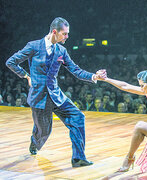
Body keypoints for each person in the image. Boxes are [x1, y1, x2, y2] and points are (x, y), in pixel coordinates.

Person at [6, 17, 105, 167]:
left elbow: (75, 70)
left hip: (56, 95)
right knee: (44, 132)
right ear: (54, 32)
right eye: (64, 34)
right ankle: (35, 141)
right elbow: (11, 62)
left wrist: (93, 76)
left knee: (78, 117)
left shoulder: (61, 51)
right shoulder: (33, 46)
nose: (67, 37)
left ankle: (78, 158)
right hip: (39, 98)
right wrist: (26, 76)